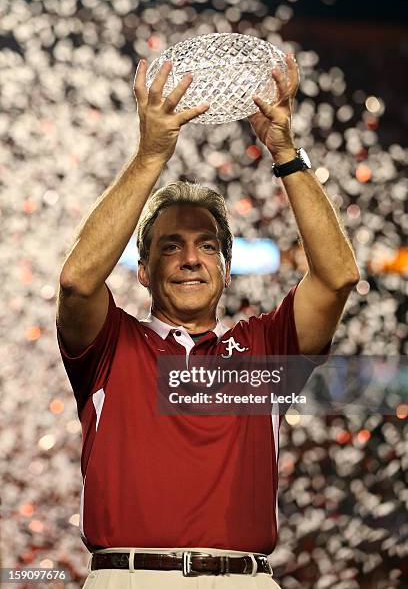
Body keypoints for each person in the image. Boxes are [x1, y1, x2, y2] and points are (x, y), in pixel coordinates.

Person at [56, 53, 359, 588]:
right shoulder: (111, 344)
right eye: (171, 247)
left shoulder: (266, 349)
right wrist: (151, 155)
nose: (191, 259)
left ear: (225, 265)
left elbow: (337, 278)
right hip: (128, 578)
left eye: (207, 245)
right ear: (144, 272)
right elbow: (79, 280)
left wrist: (285, 152)